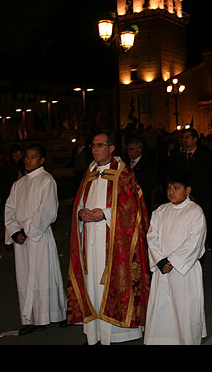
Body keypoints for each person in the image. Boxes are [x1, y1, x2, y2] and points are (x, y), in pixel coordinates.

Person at [66, 131, 151, 345]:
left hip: (113, 241)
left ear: (111, 148)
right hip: (90, 239)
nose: (95, 149)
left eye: (100, 145)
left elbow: (133, 210)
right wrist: (80, 213)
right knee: (92, 282)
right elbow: (80, 202)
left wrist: (104, 213)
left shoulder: (123, 173)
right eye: (93, 145)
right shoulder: (90, 172)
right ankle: (94, 333)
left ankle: (117, 334)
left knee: (111, 284)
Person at [4, 144, 67, 335]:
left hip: (39, 238)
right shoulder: (19, 184)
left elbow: (47, 211)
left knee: (45, 275)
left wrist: (29, 230)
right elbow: (10, 209)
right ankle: (32, 317)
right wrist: (15, 232)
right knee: (25, 277)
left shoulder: (46, 181)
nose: (28, 160)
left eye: (33, 157)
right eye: (26, 157)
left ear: (41, 160)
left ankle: (57, 313)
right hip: (23, 240)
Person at [144, 172, 207, 345]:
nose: (171, 192)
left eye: (177, 188)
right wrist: (161, 261)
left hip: (184, 272)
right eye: (169, 188)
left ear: (187, 190)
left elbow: (194, 241)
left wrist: (172, 261)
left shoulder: (195, 212)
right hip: (163, 270)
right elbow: (152, 237)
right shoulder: (160, 211)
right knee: (163, 311)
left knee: (184, 311)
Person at [169, 127, 212, 264]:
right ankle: (196, 256)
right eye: (183, 138)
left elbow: (209, 178)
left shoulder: (206, 155)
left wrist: (196, 193)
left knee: (207, 225)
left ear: (195, 139)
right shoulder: (178, 156)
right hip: (184, 197)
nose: (184, 140)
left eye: (187, 137)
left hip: (203, 197)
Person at [126, 136, 158, 212]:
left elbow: (149, 185)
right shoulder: (125, 163)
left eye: (132, 149)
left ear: (139, 149)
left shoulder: (148, 164)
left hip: (142, 199)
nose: (129, 152)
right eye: (127, 149)